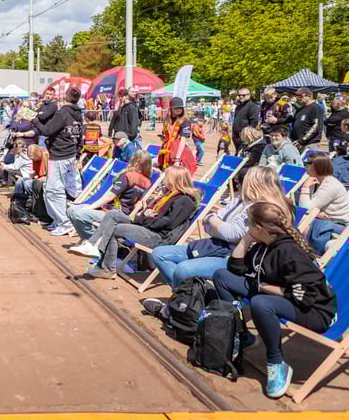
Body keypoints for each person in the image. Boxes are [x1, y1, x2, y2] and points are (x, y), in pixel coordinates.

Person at [213, 201, 337, 399]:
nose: (246, 226)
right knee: (221, 276)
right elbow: (235, 268)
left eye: (248, 223)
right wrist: (247, 238)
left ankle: (276, 362)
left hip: (314, 310)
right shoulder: (263, 245)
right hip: (281, 294)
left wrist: (264, 288)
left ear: (260, 228)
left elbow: (305, 295)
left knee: (260, 303)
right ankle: (242, 335)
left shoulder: (289, 252)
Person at [145, 165, 287, 294]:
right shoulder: (240, 200)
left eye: (246, 180)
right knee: (159, 254)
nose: (241, 183)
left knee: (183, 269)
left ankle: (185, 299)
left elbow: (230, 234)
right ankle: (189, 294)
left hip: (232, 257)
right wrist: (218, 227)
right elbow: (209, 227)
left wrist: (213, 221)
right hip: (214, 246)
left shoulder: (261, 209)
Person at [73, 166, 201, 277]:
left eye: (166, 177)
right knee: (112, 214)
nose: (164, 180)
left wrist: (145, 218)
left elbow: (168, 223)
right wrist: (146, 215)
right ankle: (92, 245)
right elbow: (149, 214)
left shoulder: (184, 201)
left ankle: (107, 269)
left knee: (114, 229)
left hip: (156, 235)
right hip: (146, 226)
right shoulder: (168, 195)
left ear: (174, 180)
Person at [29, 87, 84, 236]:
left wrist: (34, 121)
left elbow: (47, 131)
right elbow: (80, 135)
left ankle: (64, 223)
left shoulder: (63, 113)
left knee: (54, 190)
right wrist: (77, 153)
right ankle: (57, 220)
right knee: (51, 189)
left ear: (65, 98)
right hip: (69, 154)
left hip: (60, 155)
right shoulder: (78, 114)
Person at [66, 150, 152, 240]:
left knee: (78, 213)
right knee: (71, 210)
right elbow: (140, 203)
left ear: (134, 161)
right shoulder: (148, 183)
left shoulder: (128, 176)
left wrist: (90, 207)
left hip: (113, 213)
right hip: (121, 214)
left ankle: (94, 241)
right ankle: (93, 239)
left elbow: (109, 196)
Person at [299, 154, 349, 255]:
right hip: (325, 220)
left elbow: (305, 209)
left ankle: (304, 252)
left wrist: (305, 188)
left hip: (339, 225)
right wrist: (317, 214)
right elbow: (306, 209)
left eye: (307, 164)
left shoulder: (330, 186)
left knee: (305, 222)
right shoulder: (316, 180)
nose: (305, 166)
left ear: (316, 167)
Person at [158, 97, 197, 173]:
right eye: (176, 107)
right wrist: (164, 138)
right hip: (167, 151)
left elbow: (183, 141)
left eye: (180, 107)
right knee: (165, 174)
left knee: (177, 175)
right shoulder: (167, 119)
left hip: (179, 152)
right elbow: (167, 135)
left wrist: (177, 159)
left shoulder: (185, 121)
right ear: (171, 108)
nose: (178, 109)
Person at [232, 88, 260, 153]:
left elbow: (254, 121)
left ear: (249, 95)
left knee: (243, 153)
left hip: (245, 136)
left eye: (243, 95)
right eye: (239, 95)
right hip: (236, 135)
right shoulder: (238, 107)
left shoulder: (252, 106)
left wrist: (248, 134)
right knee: (238, 152)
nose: (241, 96)